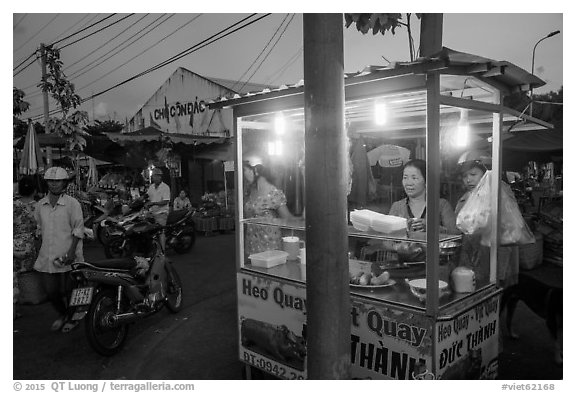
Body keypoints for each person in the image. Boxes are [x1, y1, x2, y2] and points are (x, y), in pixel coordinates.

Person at [455, 150, 520, 289]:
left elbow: (510, 236)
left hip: (495, 264)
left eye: (473, 174)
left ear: (487, 174)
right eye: (464, 176)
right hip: (470, 262)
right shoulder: (463, 200)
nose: (468, 180)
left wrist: (500, 273)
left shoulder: (498, 198)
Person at [34, 167, 84, 332]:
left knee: (71, 290)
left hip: (69, 253)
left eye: (57, 181)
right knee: (51, 292)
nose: (54, 184)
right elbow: (39, 228)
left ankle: (71, 318)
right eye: (50, 181)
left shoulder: (72, 204)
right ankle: (63, 314)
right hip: (48, 255)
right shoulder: (40, 205)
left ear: (64, 183)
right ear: (46, 182)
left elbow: (78, 229)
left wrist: (71, 252)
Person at [243, 159, 294, 255]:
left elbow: (287, 219)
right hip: (252, 243)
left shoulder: (274, 194)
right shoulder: (251, 192)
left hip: (269, 244)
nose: (244, 174)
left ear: (256, 170)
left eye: (245, 170)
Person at [13, 176, 39, 319]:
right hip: (29, 245)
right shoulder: (38, 207)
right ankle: (28, 296)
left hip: (11, 244)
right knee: (26, 275)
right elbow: (40, 229)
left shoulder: (12, 205)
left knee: (12, 277)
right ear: (34, 190)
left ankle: (13, 309)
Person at [146, 167, 170, 251]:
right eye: (153, 176)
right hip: (152, 212)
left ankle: (162, 251)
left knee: (160, 231)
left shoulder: (165, 187)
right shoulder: (151, 187)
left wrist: (154, 203)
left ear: (160, 177)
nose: (154, 178)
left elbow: (166, 201)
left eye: (156, 176)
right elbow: (147, 196)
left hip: (162, 213)